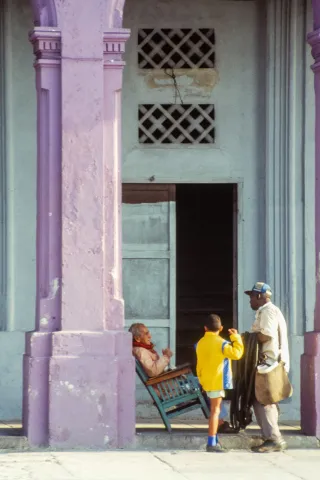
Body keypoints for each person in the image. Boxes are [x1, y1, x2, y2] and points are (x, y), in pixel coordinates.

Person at [245, 282, 290, 453]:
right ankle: (268, 436)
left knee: (265, 400)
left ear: (259, 296)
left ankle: (274, 438)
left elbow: (266, 335)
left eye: (251, 297)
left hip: (271, 363)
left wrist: (245, 338)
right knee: (261, 399)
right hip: (269, 363)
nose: (250, 300)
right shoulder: (266, 311)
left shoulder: (268, 311)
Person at [196, 314, 244, 452]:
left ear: (205, 328)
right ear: (221, 328)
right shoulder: (222, 343)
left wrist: (201, 379)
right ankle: (211, 443)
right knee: (215, 412)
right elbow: (237, 354)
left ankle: (214, 439)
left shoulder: (200, 343)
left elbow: (199, 364)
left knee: (214, 411)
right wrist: (236, 337)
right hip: (217, 381)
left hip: (206, 381)